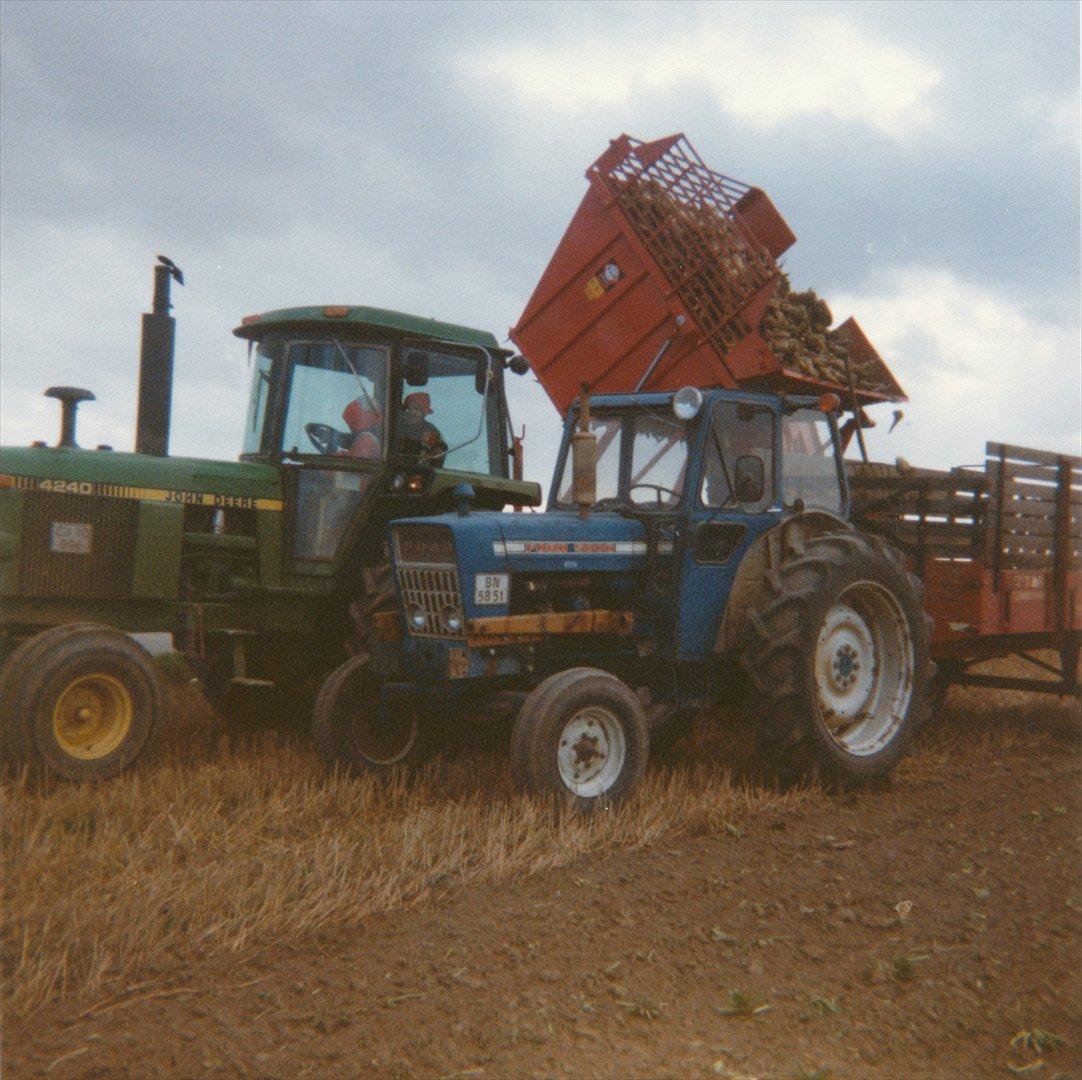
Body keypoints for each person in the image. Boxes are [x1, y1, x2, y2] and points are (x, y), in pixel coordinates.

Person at [398, 391, 447, 465]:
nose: (412, 412)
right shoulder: (396, 427)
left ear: (423, 413)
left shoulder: (430, 431)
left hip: (420, 471)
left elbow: (440, 452)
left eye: (416, 409)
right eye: (409, 409)